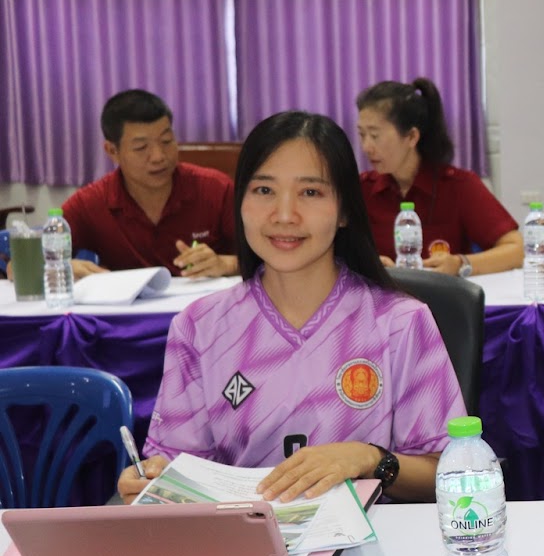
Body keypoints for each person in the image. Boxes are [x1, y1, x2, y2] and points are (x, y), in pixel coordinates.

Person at [116, 111, 466, 505]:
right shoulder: (199, 326)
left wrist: (370, 458)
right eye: (264, 190)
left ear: (345, 210)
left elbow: (450, 473)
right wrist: (152, 481)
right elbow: (178, 467)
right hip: (244, 539)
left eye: (310, 192)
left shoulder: (400, 322)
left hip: (374, 540)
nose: (284, 215)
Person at [61, 90, 237, 278]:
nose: (159, 157)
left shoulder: (216, 189)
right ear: (112, 151)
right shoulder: (91, 203)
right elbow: (42, 256)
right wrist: (63, 267)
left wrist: (229, 264)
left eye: (166, 141)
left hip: (207, 296)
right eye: (141, 147)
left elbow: (259, 258)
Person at [355, 78, 520, 277]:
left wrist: (461, 264)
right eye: (362, 135)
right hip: (383, 296)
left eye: (375, 136)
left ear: (411, 137)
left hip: (443, 295)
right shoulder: (360, 189)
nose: (366, 147)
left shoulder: (458, 186)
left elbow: (516, 249)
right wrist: (367, 264)